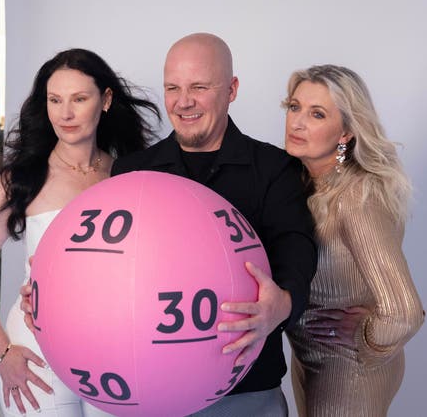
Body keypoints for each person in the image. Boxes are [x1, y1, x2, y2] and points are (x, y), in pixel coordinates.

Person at [22, 33, 317, 416]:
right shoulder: (132, 171)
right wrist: (50, 295)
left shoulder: (274, 168)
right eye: (173, 88)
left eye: (199, 87)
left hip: (245, 392)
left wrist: (285, 303)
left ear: (232, 89)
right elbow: (106, 269)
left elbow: (298, 252)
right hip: (152, 395)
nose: (184, 101)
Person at [0, 48, 160, 416]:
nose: (65, 113)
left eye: (79, 99)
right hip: (36, 352)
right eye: (55, 100)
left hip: (116, 350)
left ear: (106, 100)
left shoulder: (129, 176)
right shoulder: (20, 178)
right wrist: (2, 353)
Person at [282, 65, 425, 417]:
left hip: (349, 367)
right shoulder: (304, 184)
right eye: (294, 107)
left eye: (317, 114)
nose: (297, 122)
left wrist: (364, 337)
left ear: (345, 131)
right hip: (310, 357)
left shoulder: (355, 196)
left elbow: (404, 313)